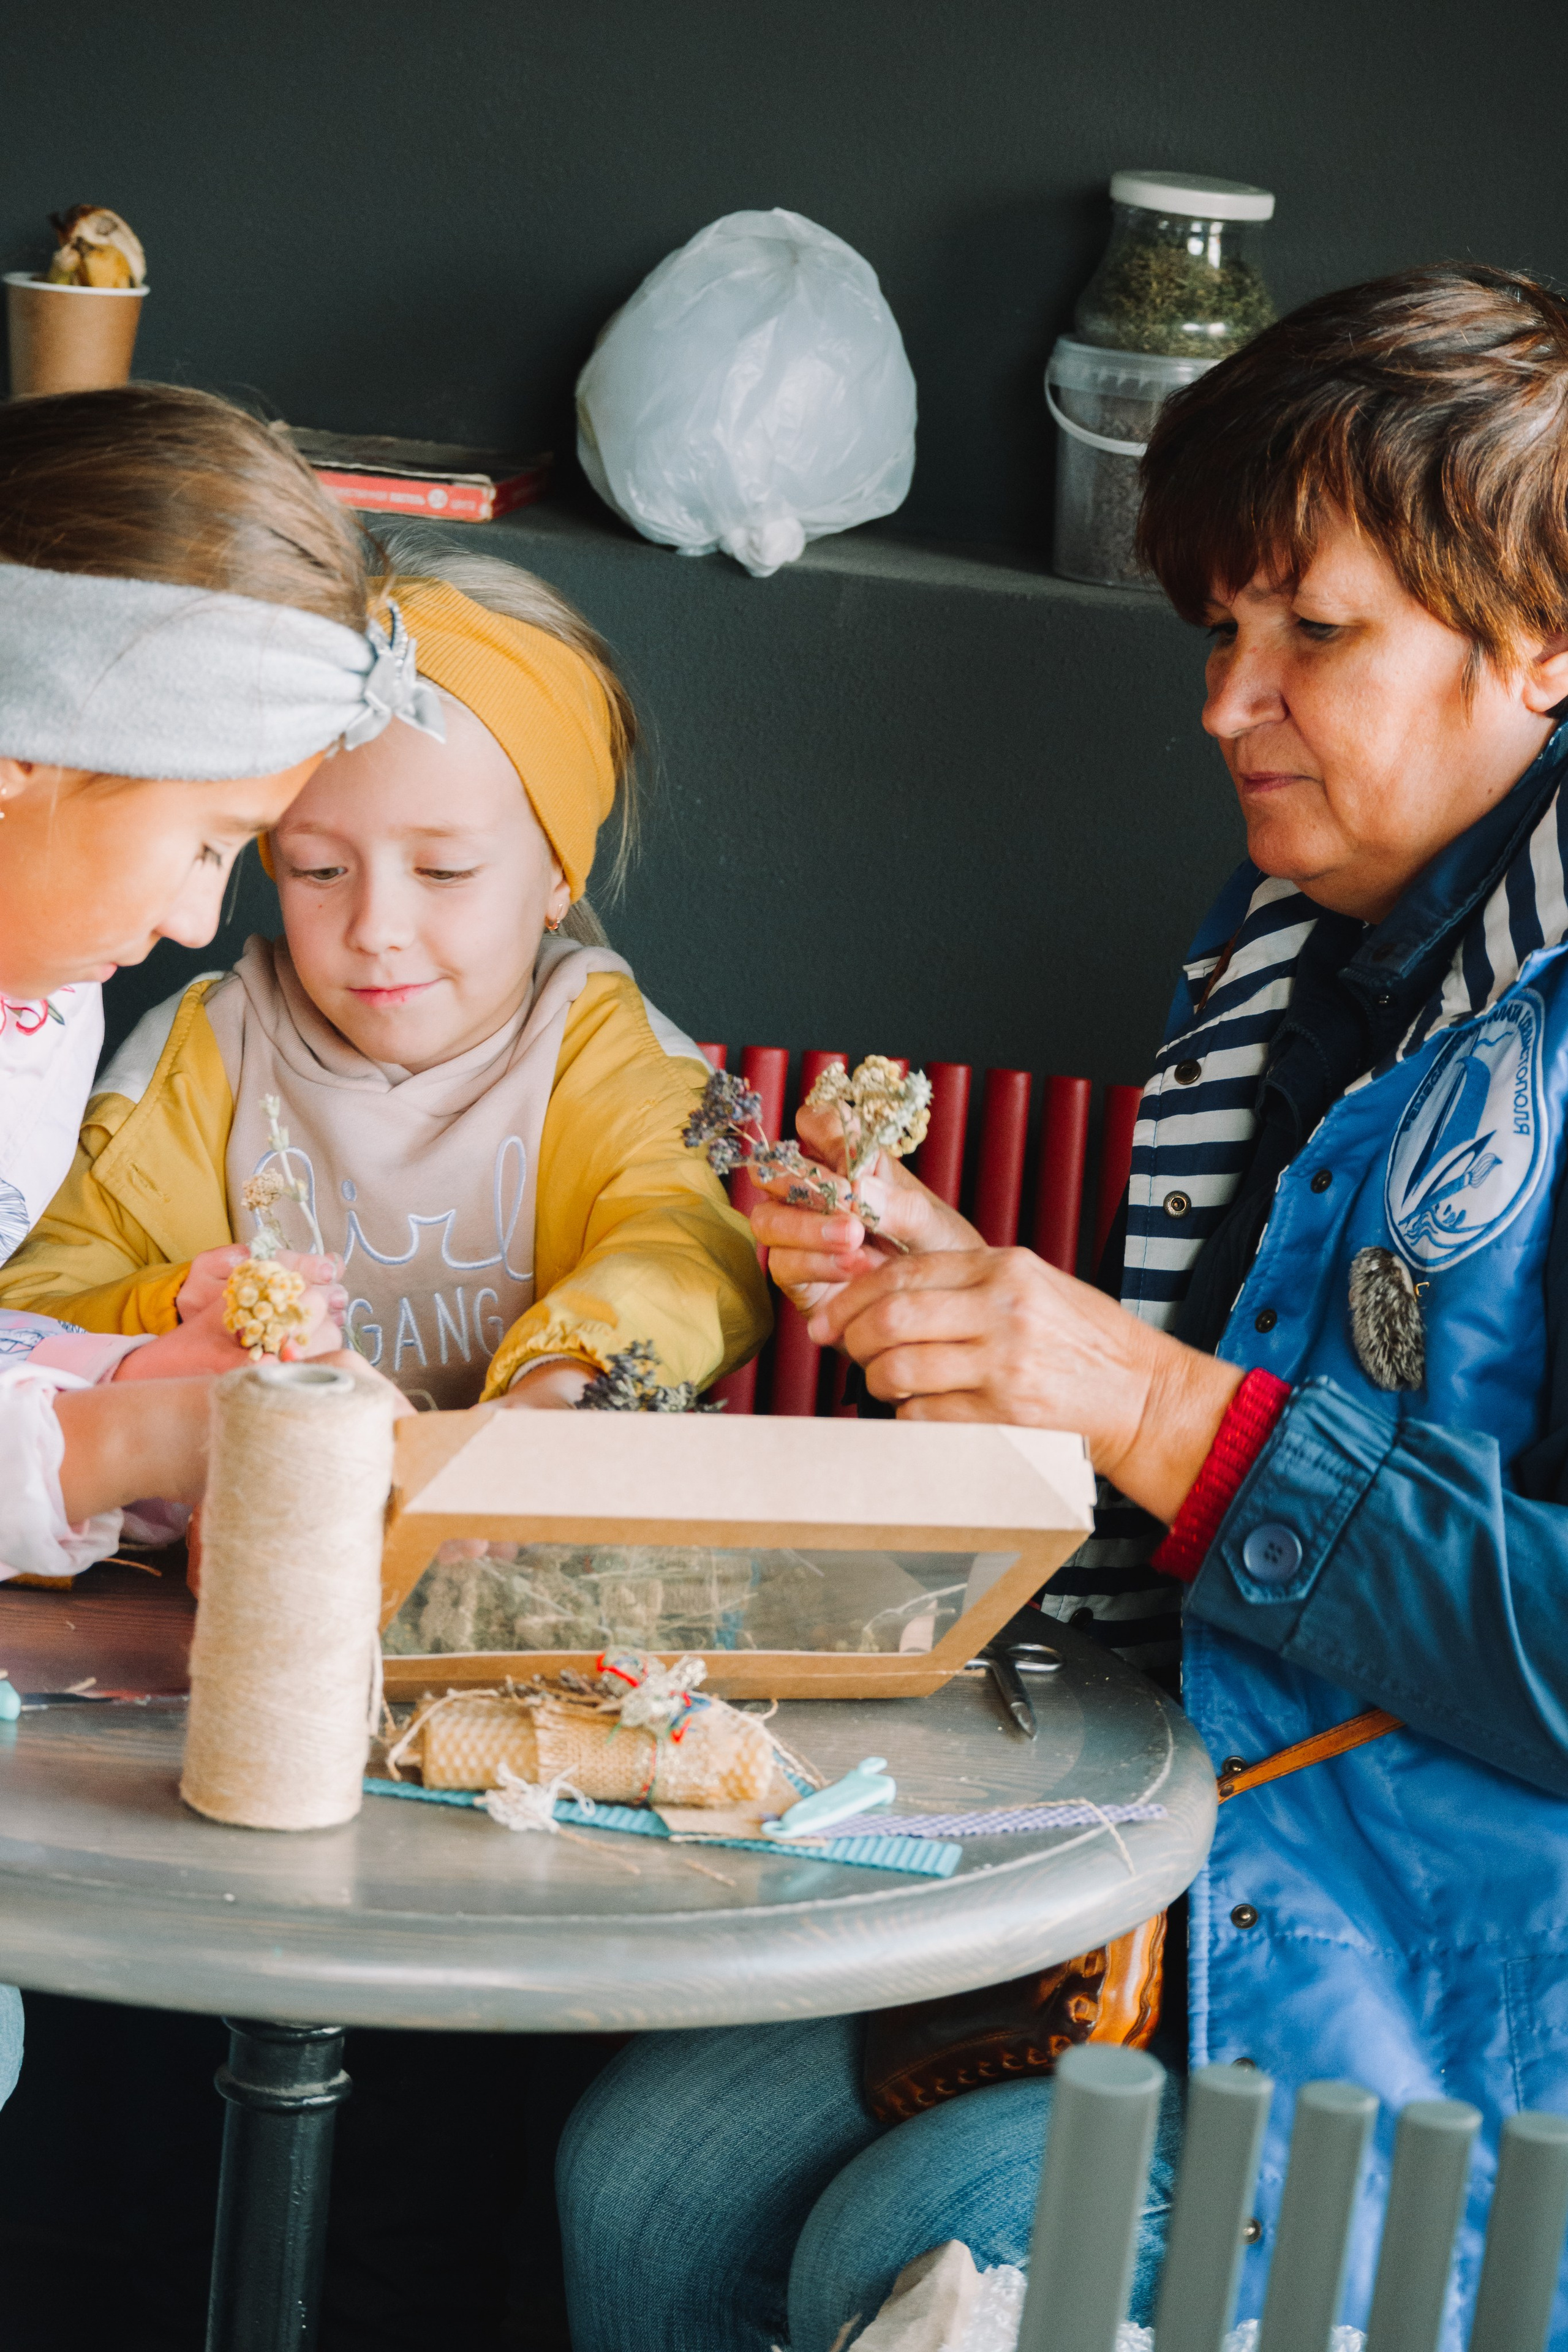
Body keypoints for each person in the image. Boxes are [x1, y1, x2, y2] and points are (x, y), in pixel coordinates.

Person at [557, 264, 1568, 2348]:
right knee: (639, 2180)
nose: (1224, 703)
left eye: (1314, 633)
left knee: (929, 2239)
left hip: (1450, 2015)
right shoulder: (1292, 954)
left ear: (1544, 638)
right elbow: (1207, 1465)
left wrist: (1142, 1399)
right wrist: (973, 1318)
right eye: (1221, 628)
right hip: (1172, 1872)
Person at [0, 382, 428, 2120]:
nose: (199, 918)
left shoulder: (38, 1007)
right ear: (18, 750)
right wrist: (118, 1444)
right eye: (204, 845)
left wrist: (122, 1372)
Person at [0, 549, 769, 1410]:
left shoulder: (605, 1052)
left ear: (558, 874)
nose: (375, 929)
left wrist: (565, 1388)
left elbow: (685, 1250)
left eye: (444, 871)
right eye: (319, 871)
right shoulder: (204, 1053)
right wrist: (169, 1306)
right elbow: (32, 1297)